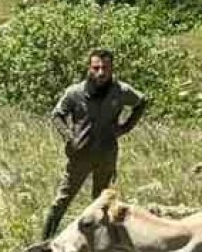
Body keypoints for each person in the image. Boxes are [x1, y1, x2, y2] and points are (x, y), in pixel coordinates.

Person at [41, 48, 147, 240]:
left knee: (101, 204)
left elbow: (141, 102)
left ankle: (97, 249)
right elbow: (57, 114)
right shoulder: (75, 92)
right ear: (89, 68)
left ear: (112, 68)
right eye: (96, 67)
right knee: (61, 201)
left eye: (105, 68)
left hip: (106, 155)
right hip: (80, 155)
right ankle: (45, 243)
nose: (101, 72)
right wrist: (69, 137)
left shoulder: (121, 91)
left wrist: (126, 127)